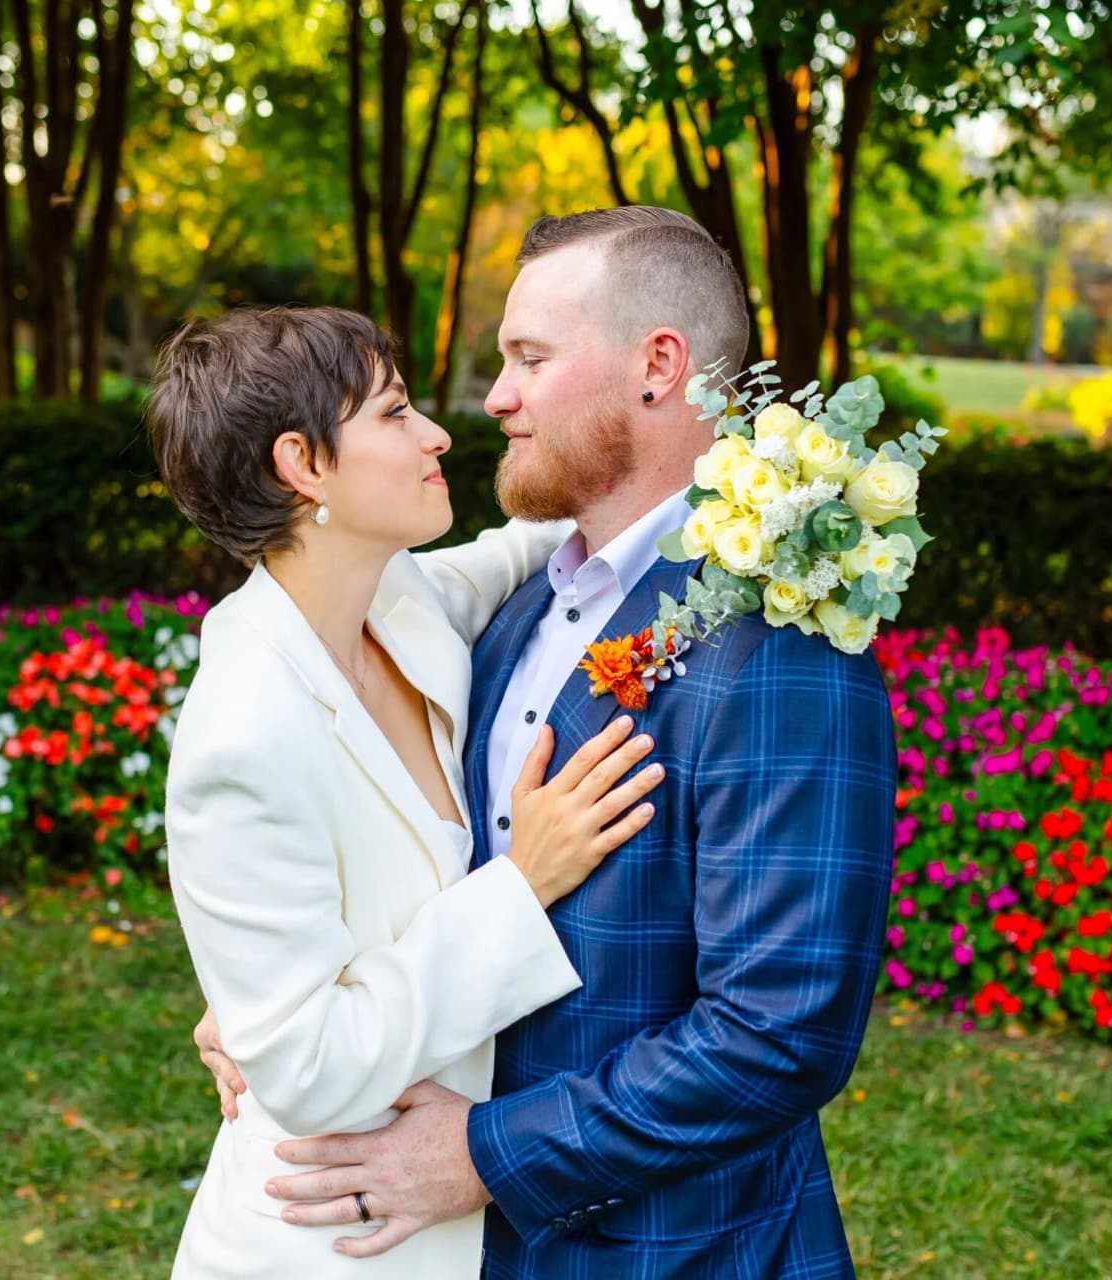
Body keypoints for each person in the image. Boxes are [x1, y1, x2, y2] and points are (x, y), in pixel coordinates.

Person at [200, 207, 899, 1278]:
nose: (491, 399)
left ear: (659, 365)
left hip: (673, 1247)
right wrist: (271, 998)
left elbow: (779, 1031)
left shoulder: (784, 638)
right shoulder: (515, 606)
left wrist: (483, 1154)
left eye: (529, 357)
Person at [149, 304, 666, 1278]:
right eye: (393, 413)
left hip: (457, 1228)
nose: (437, 433)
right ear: (303, 464)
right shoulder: (243, 732)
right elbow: (307, 1066)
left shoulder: (400, 599)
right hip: (324, 1238)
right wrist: (524, 881)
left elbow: (532, 540)